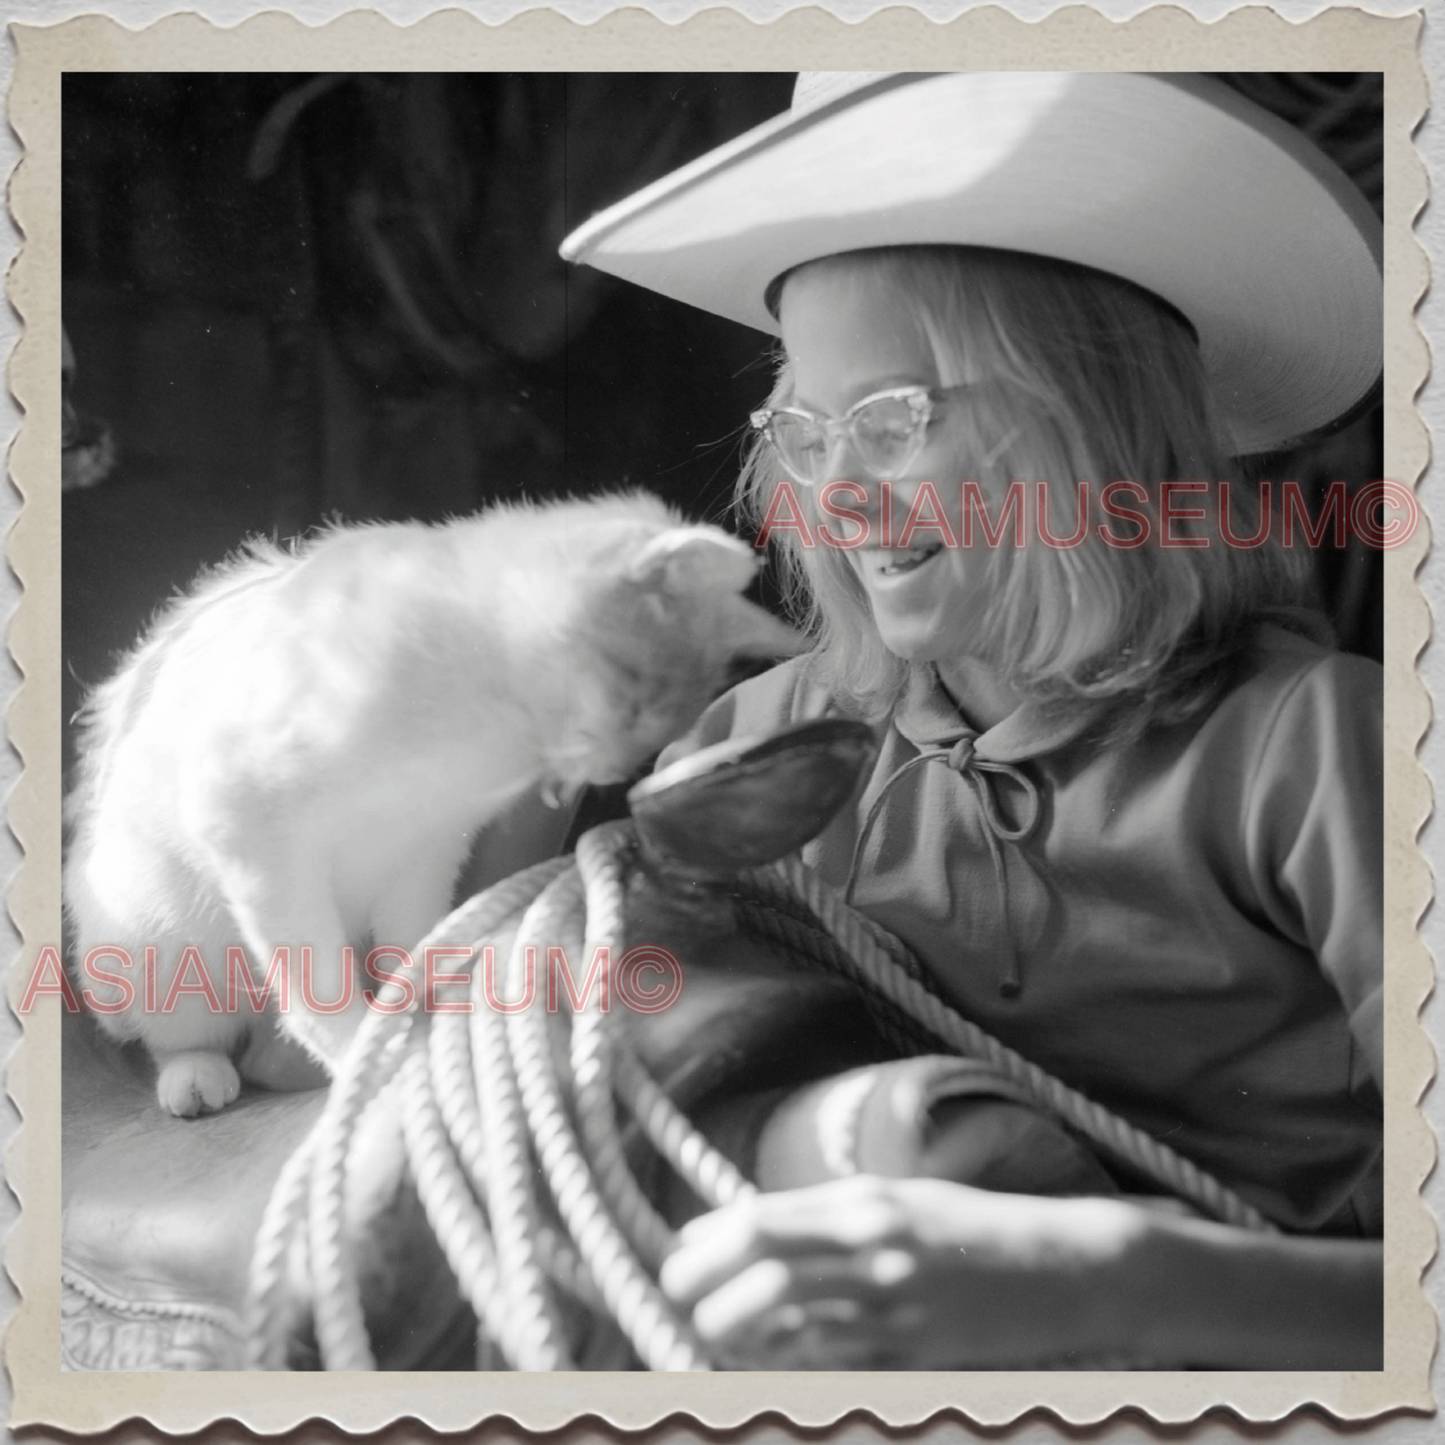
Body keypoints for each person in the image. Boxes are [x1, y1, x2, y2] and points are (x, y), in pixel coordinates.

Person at [561, 72, 1385, 1370]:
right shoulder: (750, 749)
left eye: (892, 420)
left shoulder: (1326, 754)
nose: (834, 491)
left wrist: (1111, 1280)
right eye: (805, 428)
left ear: (1099, 429)